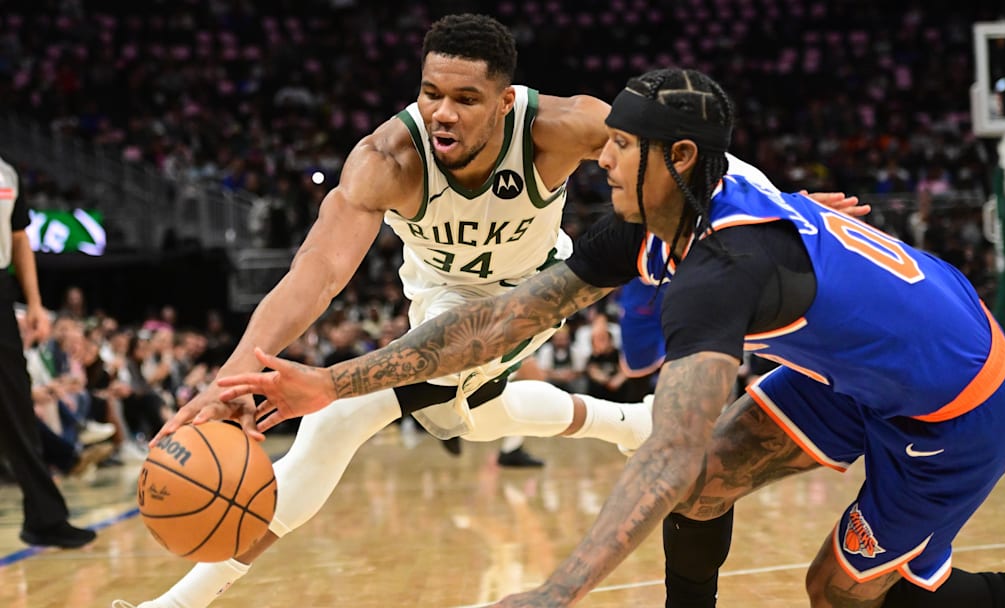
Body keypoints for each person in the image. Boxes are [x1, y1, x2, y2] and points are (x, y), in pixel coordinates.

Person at [213, 68, 1005, 608]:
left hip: (957, 405)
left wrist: (558, 592)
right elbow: (504, 319)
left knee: (837, 591)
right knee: (704, 490)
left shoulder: (723, 270)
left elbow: (665, 455)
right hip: (859, 369)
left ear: (681, 158)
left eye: (624, 147)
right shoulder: (655, 217)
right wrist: (332, 382)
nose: (604, 159)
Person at [114, 14, 656, 608]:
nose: (443, 113)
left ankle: (174, 605)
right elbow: (317, 272)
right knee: (470, 418)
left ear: (505, 103)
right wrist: (233, 377)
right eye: (431, 93)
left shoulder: (560, 127)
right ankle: (631, 423)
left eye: (466, 99)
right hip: (436, 294)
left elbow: (673, 154)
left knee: (339, 417)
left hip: (527, 294)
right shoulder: (386, 160)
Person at [0, 155, 98, 548]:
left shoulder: (7, 172)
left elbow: (19, 238)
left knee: (16, 405)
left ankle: (45, 518)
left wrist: (36, 304)